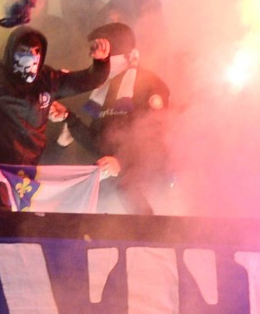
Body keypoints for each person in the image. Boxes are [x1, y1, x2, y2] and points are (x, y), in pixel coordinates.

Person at [0, 26, 112, 209]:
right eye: (23, 51)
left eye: (36, 51)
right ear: (11, 51)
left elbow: (90, 80)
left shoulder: (49, 80)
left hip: (24, 171)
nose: (30, 56)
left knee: (17, 216)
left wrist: (101, 61)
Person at [51, 22, 170, 214]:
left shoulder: (150, 86)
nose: (96, 60)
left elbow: (155, 140)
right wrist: (68, 118)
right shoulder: (102, 92)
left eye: (101, 54)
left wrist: (121, 162)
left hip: (145, 187)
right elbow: (98, 144)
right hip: (112, 187)